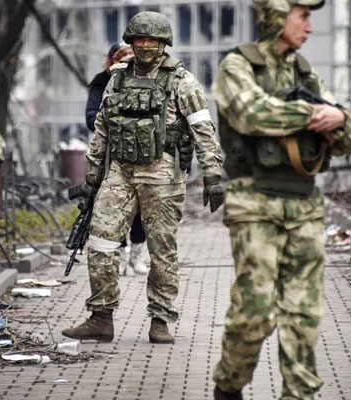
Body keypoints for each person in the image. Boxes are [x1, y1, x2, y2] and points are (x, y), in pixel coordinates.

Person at [211, 0, 351, 399]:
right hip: (254, 202)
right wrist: (317, 115)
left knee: (303, 315)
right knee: (254, 314)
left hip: (305, 207)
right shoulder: (237, 66)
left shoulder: (305, 72)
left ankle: (299, 394)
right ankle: (228, 386)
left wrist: (341, 119)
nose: (310, 27)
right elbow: (251, 114)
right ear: (277, 15)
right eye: (304, 16)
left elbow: (347, 139)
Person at [63, 11, 225, 344]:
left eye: (153, 40)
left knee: (162, 251)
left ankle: (161, 320)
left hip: (163, 175)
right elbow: (102, 132)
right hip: (120, 173)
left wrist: (213, 174)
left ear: (164, 43)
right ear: (130, 42)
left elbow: (203, 129)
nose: (146, 45)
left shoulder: (182, 81)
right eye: (139, 39)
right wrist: (92, 179)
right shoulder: (117, 79)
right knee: (101, 243)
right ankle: (101, 317)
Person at [85, 41, 148, 276]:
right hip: (112, 156)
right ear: (112, 60)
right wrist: (115, 126)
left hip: (142, 157)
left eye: (131, 57)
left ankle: (137, 256)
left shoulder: (146, 81)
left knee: (141, 208)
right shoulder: (102, 82)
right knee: (114, 210)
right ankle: (120, 257)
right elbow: (91, 117)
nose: (127, 62)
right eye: (122, 57)